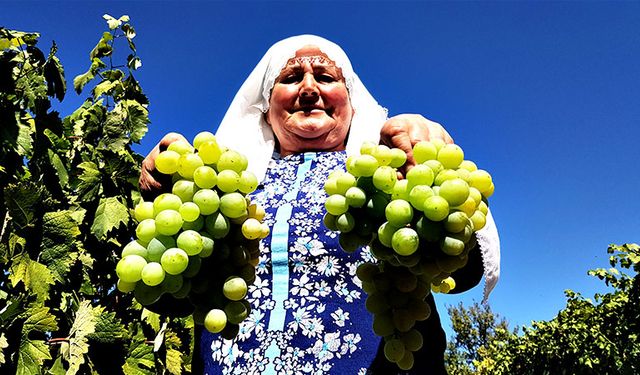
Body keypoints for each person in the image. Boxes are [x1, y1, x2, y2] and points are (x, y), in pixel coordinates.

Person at [139, 35, 500, 374]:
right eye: (292, 77)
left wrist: (427, 162)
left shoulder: (383, 173)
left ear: (351, 101)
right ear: (265, 106)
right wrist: (170, 199)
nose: (309, 89)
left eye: (325, 77)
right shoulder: (227, 183)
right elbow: (166, 296)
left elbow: (457, 269)